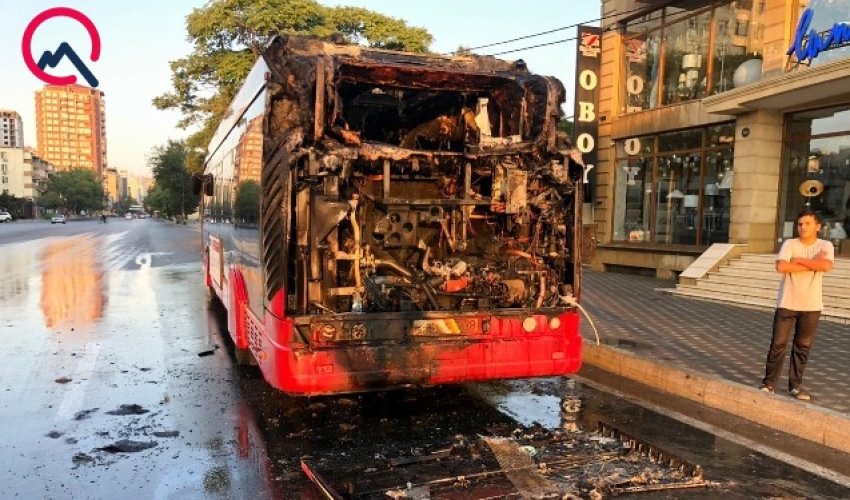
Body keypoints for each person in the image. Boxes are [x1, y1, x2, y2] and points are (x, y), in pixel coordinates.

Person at [760, 209, 834, 400]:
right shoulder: (790, 243)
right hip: (787, 302)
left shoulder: (825, 245)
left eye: (807, 224)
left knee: (802, 347)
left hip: (811, 305)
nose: (802, 227)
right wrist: (812, 263)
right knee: (778, 344)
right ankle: (768, 384)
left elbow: (825, 266)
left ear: (818, 226)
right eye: (800, 224)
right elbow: (782, 267)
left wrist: (799, 260)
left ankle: (795, 386)